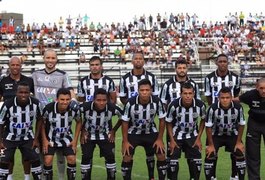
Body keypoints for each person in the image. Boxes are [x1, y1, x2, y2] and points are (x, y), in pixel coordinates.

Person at [32, 49, 78, 179]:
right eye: (48, 58)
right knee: (44, 152)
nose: (50, 60)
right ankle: (43, 176)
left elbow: (70, 90)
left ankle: (61, 177)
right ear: (44, 58)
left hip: (58, 118)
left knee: (61, 153)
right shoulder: (35, 74)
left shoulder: (63, 75)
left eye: (53, 58)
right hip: (42, 119)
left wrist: (73, 100)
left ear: (56, 60)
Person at [119, 51, 159, 179]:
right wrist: (133, 107)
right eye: (135, 58)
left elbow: (156, 97)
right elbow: (123, 97)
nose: (138, 60)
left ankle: (152, 176)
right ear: (132, 61)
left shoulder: (152, 77)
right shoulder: (125, 78)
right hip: (131, 120)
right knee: (127, 153)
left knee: (153, 152)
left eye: (140, 58)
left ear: (144, 61)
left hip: (149, 120)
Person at [159, 59, 200, 179]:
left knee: (192, 159)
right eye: (179, 68)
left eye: (184, 68)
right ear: (175, 69)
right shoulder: (167, 85)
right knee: (172, 159)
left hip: (191, 128)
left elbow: (197, 103)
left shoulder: (194, 85)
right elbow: (163, 103)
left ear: (187, 69)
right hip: (174, 128)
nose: (182, 70)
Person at [121, 79, 167, 180]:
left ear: (151, 90)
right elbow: (124, 122)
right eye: (142, 90)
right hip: (133, 132)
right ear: (138, 91)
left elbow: (162, 120)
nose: (145, 92)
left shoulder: (156, 101)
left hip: (150, 131)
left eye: (147, 90)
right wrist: (125, 141)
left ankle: (154, 177)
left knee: (161, 153)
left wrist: (160, 139)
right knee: (127, 155)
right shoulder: (130, 103)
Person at [204, 53, 241, 180]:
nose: (223, 63)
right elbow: (209, 97)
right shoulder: (209, 78)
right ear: (216, 63)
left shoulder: (235, 78)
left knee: (236, 151)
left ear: (228, 63)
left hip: (232, 119)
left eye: (225, 61)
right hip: (214, 119)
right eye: (220, 61)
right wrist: (215, 109)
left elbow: (236, 96)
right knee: (211, 151)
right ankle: (212, 176)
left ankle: (234, 175)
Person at [0, 56, 34, 180]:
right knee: (8, 156)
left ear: (21, 66)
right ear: (9, 66)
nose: (15, 67)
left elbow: (35, 99)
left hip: (25, 124)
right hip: (7, 125)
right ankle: (9, 178)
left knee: (27, 155)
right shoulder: (3, 81)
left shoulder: (29, 80)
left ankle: (27, 177)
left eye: (17, 65)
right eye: (13, 65)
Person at [0, 82, 42, 179]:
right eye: (21, 92)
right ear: (16, 92)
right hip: (9, 137)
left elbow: (40, 119)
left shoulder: (36, 103)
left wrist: (36, 139)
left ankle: (27, 178)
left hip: (27, 137)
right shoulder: (7, 105)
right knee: (4, 159)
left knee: (35, 158)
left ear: (29, 93)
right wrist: (0, 141)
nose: (23, 95)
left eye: (26, 92)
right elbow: (0, 123)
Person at [80, 88, 123, 180]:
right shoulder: (85, 107)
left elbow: (124, 117)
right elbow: (75, 116)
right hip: (88, 136)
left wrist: (114, 130)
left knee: (110, 157)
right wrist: (82, 130)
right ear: (93, 100)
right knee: (86, 157)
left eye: (104, 100)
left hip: (106, 135)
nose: (101, 103)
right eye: (98, 100)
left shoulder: (112, 108)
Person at [166, 82, 206, 180]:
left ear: (193, 94)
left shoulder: (200, 105)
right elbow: (168, 122)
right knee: (172, 166)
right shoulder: (173, 105)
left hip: (193, 136)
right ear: (181, 94)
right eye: (185, 93)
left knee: (196, 168)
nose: (188, 96)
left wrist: (199, 138)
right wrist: (171, 140)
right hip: (176, 136)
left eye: (190, 93)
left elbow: (204, 120)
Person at [204, 87, 246, 180]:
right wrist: (210, 145)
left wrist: (239, 142)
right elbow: (208, 127)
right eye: (222, 98)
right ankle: (212, 177)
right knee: (210, 153)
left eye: (227, 97)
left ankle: (234, 176)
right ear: (218, 98)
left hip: (232, 134)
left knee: (239, 151)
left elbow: (242, 124)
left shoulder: (238, 107)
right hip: (216, 135)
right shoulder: (212, 108)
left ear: (231, 98)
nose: (225, 100)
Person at [41, 88, 81, 180]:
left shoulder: (74, 109)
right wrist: (45, 140)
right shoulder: (48, 108)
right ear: (57, 99)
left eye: (67, 99)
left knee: (72, 159)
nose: (65, 102)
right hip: (51, 139)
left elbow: (79, 122)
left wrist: (75, 140)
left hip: (66, 138)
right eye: (62, 99)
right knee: (47, 160)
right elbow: (42, 124)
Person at [234, 78, 265, 179]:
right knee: (252, 154)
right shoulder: (251, 95)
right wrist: (224, 100)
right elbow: (237, 100)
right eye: (261, 88)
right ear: (257, 88)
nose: (264, 91)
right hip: (254, 124)